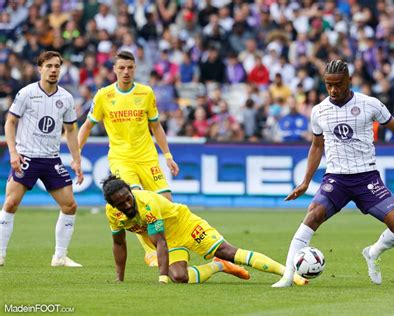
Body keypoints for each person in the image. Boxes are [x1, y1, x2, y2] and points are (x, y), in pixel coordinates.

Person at [272, 60, 394, 288]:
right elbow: (316, 146)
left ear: (349, 80)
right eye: (328, 85)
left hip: (367, 179)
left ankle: (372, 252)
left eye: (338, 84)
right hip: (337, 179)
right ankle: (287, 277)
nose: (333, 90)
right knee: (312, 216)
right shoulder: (319, 111)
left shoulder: (370, 104)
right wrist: (305, 182)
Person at [101, 175, 309, 285]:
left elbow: (160, 242)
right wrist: (120, 277)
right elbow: (118, 243)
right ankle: (219, 267)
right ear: (112, 205)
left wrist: (162, 278)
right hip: (169, 240)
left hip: (185, 225)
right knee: (180, 277)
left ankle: (289, 273)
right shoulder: (112, 214)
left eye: (128, 198)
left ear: (130, 192)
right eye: (120, 204)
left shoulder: (146, 203)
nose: (127, 205)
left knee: (229, 252)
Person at [77, 51, 179, 267]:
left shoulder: (146, 93)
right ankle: (150, 251)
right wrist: (76, 157)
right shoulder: (104, 96)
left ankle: (172, 249)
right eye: (121, 68)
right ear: (114, 69)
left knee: (168, 204)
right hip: (121, 159)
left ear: (135, 69)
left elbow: (156, 126)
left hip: (148, 158)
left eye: (130, 68)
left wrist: (168, 156)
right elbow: (86, 126)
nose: (125, 72)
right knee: (136, 201)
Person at [0, 51, 84, 267]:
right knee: (10, 203)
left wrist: (76, 160)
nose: (54, 70)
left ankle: (59, 256)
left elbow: (71, 129)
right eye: (49, 66)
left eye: (57, 66)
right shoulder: (27, 93)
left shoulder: (65, 97)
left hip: (51, 160)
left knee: (70, 205)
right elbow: (10, 123)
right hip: (27, 156)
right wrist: (13, 152)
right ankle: (0, 253)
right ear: (40, 69)